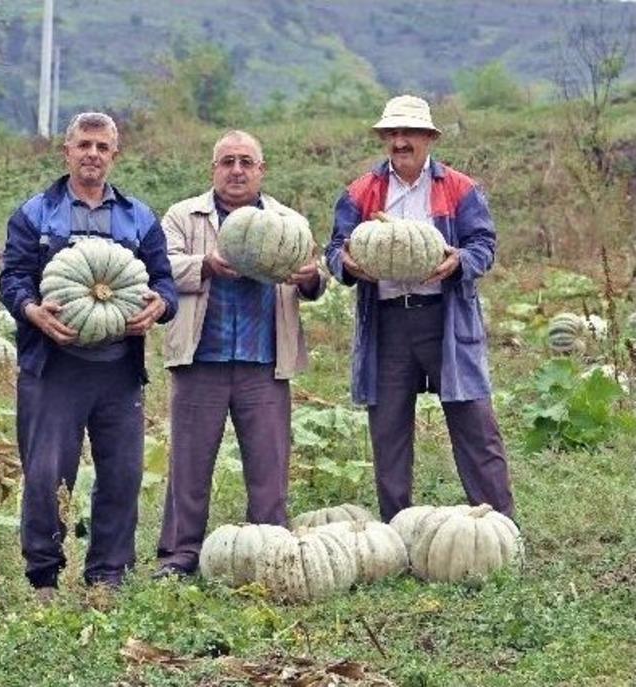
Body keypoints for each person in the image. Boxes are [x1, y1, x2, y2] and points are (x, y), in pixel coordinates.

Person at [0, 112, 177, 601]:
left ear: (114, 155)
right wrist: (33, 312)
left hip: (119, 369)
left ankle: (108, 575)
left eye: (102, 147)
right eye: (84, 145)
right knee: (47, 476)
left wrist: (160, 305)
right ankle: (44, 577)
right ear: (67, 151)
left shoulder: (139, 217)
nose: (92, 154)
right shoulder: (35, 214)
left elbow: (164, 282)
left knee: (122, 474)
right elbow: (11, 280)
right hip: (54, 367)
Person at [323, 95, 514, 523]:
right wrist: (348, 264)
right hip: (388, 323)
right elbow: (334, 249)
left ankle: (501, 526)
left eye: (409, 133)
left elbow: (483, 246)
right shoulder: (361, 191)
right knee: (388, 430)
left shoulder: (461, 188)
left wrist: (458, 262)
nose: (400, 141)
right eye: (393, 133)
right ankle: (396, 530)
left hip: (444, 318)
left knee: (475, 425)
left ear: (428, 138)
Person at [153, 130, 326, 578]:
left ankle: (270, 551)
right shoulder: (182, 216)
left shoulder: (288, 222)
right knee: (189, 463)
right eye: (227, 161)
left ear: (261, 170)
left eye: (246, 162)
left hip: (263, 360)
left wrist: (309, 278)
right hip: (200, 358)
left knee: (269, 464)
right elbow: (159, 268)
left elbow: (316, 278)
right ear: (213, 169)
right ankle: (180, 555)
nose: (236, 170)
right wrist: (206, 264)